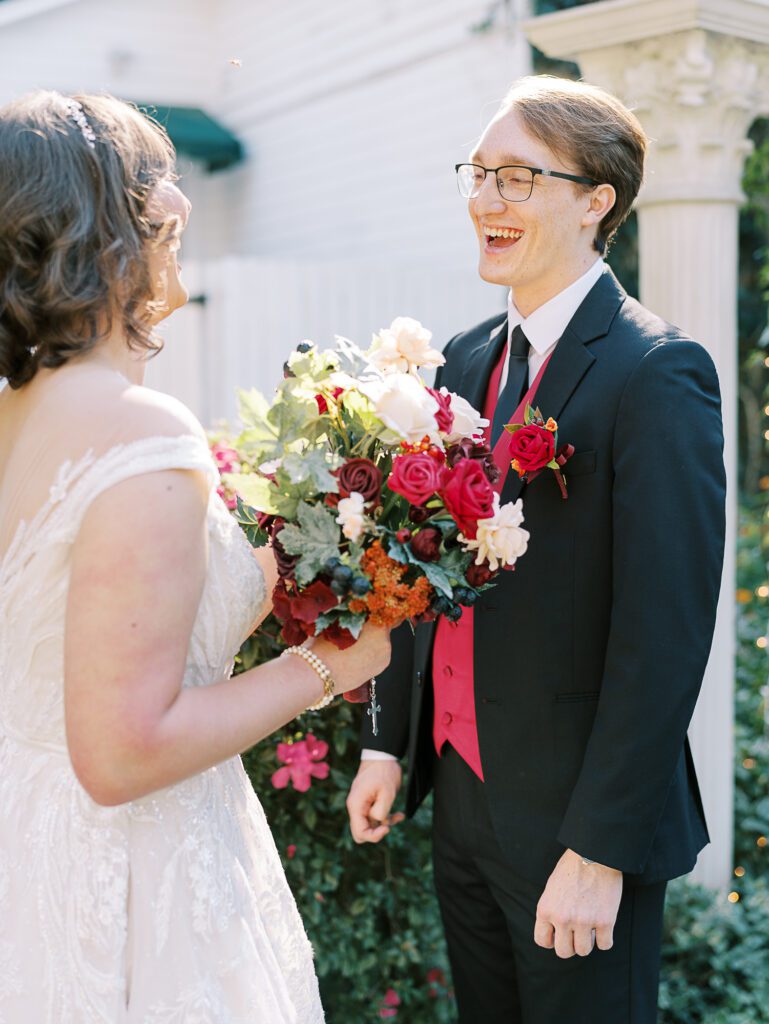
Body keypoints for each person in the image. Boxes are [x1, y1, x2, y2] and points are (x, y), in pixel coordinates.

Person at [0, 91, 390, 1023]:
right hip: (126, 875)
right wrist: (325, 668)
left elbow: (86, 627)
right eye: (156, 187)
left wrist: (304, 547)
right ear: (115, 227)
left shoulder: (17, 416)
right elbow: (122, 752)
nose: (176, 207)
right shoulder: (139, 433)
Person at [346, 75, 726, 1023]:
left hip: (577, 819)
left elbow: (664, 631)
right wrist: (386, 743)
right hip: (462, 803)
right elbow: (413, 570)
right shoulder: (461, 362)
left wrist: (598, 853)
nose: (484, 200)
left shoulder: (655, 371)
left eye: (516, 178)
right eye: (478, 173)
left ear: (596, 201)